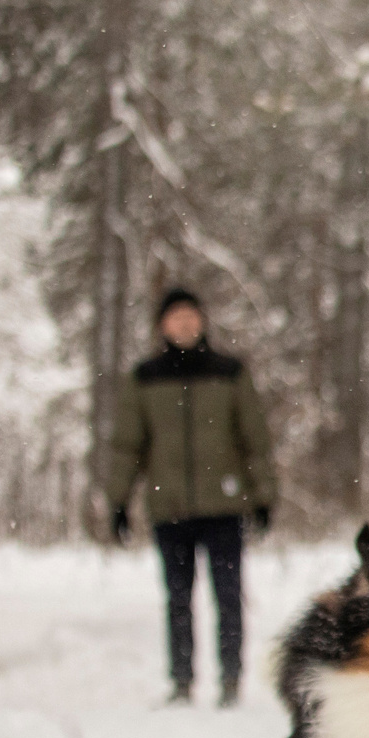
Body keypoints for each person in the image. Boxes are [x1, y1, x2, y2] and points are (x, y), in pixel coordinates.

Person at [105, 286, 278, 707]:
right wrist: (118, 501)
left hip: (224, 506)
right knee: (178, 598)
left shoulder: (229, 372)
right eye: (175, 316)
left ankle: (231, 680)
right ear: (162, 325)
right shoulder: (144, 377)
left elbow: (254, 437)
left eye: (191, 315)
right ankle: (182, 682)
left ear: (202, 321)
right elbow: (128, 444)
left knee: (228, 595)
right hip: (171, 507)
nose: (184, 323)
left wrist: (264, 495)